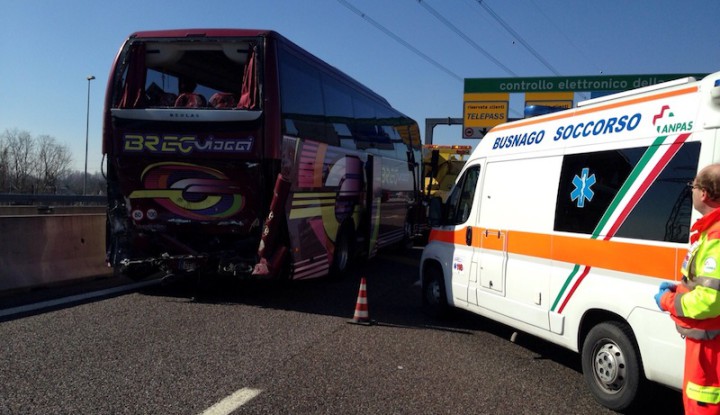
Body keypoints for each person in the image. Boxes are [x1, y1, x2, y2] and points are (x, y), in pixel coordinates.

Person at [657, 163, 720, 415]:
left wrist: (667, 301)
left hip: (710, 355)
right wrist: (679, 289)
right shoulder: (709, 233)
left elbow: (709, 300)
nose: (691, 191)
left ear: (703, 193)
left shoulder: (716, 237)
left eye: (693, 186)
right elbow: (705, 283)